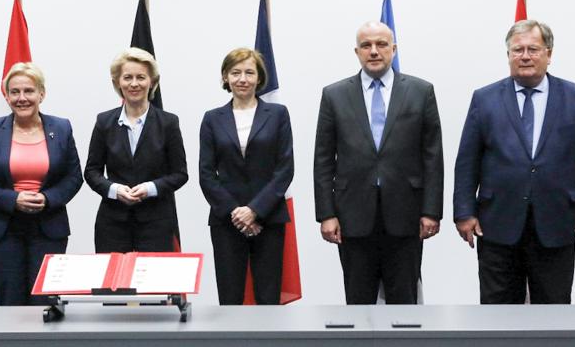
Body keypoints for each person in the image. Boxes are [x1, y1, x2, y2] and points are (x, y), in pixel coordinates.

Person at [452, 20, 575, 304]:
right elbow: (467, 161)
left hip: (557, 222)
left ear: (549, 53)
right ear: (508, 55)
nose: (525, 56)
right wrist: (464, 212)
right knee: (497, 309)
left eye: (533, 49)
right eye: (517, 50)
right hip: (496, 223)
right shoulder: (484, 99)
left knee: (554, 306)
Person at [314, 21, 443, 305]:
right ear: (357, 51)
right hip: (352, 216)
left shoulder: (421, 91)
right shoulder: (334, 95)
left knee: (404, 303)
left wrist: (431, 211)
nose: (374, 51)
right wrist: (326, 214)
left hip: (406, 215)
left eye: (381, 45)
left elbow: (432, 156)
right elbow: (323, 159)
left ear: (394, 50)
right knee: (358, 303)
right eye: (366, 46)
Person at [0, 63, 83, 305]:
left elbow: (74, 177)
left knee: (44, 299)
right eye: (15, 92)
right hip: (3, 227)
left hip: (48, 226)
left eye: (29, 91)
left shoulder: (61, 128)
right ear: (7, 95)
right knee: (9, 299)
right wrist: (13, 199)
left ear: (42, 94)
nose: (22, 98)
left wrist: (49, 198)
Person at [199, 48, 294, 305]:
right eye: (236, 72)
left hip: (269, 218)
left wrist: (254, 210)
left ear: (259, 78)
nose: (243, 79)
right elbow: (206, 174)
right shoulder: (212, 119)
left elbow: (285, 169)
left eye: (249, 72)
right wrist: (236, 212)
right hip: (226, 221)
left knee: (268, 297)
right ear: (225, 78)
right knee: (230, 298)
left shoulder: (278, 114)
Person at [85, 47, 188, 252]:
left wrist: (150, 188)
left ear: (152, 82)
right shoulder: (104, 122)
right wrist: (114, 190)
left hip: (156, 222)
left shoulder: (168, 123)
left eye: (141, 77)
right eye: (127, 77)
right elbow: (91, 172)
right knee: (113, 284)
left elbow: (180, 174)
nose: (134, 84)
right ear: (117, 82)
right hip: (112, 222)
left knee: (152, 283)